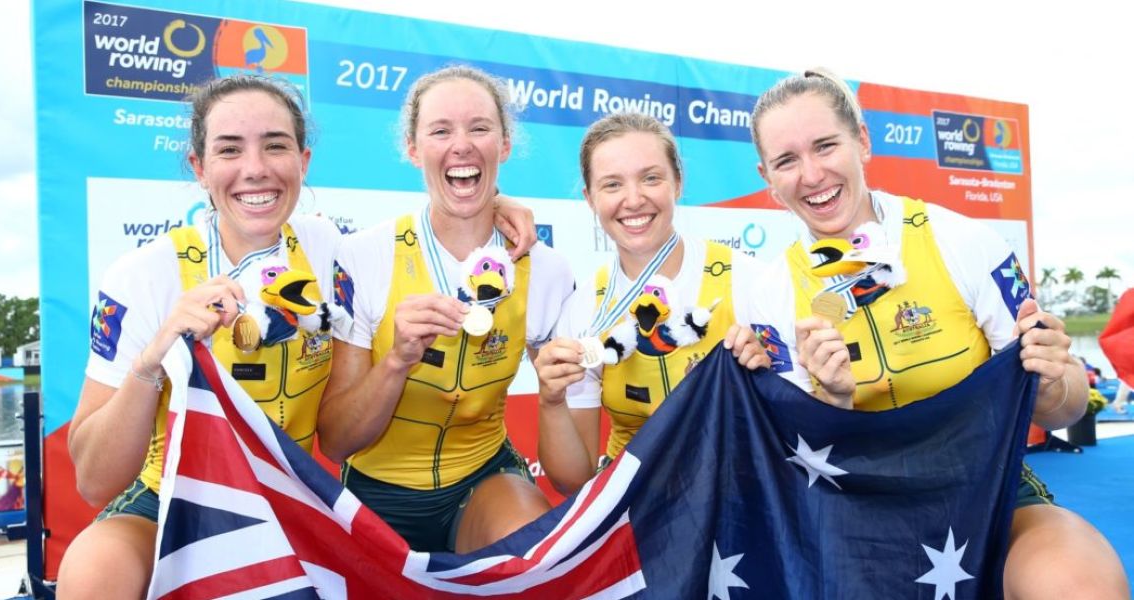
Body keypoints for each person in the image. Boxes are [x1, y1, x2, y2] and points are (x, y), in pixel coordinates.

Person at [57, 74, 538, 598]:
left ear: (303, 161)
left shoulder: (334, 249)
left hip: (290, 506)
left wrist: (496, 205)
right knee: (92, 575)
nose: (255, 169)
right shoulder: (145, 274)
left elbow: (443, 216)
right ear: (199, 168)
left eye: (275, 145)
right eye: (229, 149)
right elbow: (94, 480)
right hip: (168, 498)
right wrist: (153, 360)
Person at [745, 68, 1128, 598]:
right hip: (854, 515)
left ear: (862, 141)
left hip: (987, 491)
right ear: (767, 176)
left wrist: (1054, 380)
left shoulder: (965, 243)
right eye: (787, 160)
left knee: (1078, 584)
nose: (811, 174)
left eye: (825, 146)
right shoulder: (767, 295)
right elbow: (794, 459)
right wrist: (832, 400)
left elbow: (1066, 410)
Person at [317, 65, 574, 554]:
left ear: (505, 145)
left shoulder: (547, 270)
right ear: (413, 149)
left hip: (484, 482)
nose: (462, 145)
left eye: (479, 128)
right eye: (440, 130)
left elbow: (568, 457)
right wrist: (395, 361)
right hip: (376, 492)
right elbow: (335, 442)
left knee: (535, 556)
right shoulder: (362, 256)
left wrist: (556, 391)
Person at [533, 113, 770, 495]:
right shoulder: (582, 309)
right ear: (589, 199)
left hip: (736, 496)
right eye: (612, 185)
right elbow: (572, 479)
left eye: (651, 178)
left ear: (678, 182)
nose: (634, 199)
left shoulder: (748, 280)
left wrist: (769, 372)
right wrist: (551, 400)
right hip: (637, 506)